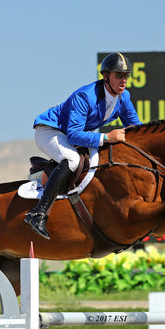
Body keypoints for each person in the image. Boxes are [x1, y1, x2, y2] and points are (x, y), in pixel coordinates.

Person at [25, 52, 143, 240]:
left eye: (126, 75)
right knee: (71, 160)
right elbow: (73, 134)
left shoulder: (124, 97)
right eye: (118, 75)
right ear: (106, 76)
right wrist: (107, 137)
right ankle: (37, 214)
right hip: (49, 131)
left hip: (69, 134)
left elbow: (136, 128)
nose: (123, 80)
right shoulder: (85, 96)